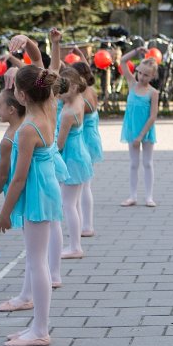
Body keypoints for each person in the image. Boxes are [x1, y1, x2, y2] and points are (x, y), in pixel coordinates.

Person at [0, 36, 66, 346]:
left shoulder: (27, 129)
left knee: (37, 261)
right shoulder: (49, 106)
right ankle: (36, 325)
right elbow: (41, 69)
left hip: (37, 191)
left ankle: (40, 329)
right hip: (47, 185)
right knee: (36, 259)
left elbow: (19, 179)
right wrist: (32, 45)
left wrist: (6, 211)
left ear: (22, 96)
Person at [53, 66, 94, 264]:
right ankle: (75, 243)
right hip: (79, 153)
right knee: (73, 202)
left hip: (72, 157)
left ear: (76, 87)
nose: (59, 93)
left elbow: (60, 143)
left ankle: (75, 245)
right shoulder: (79, 100)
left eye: (63, 88)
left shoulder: (68, 112)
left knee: (67, 204)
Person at [119, 52, 159, 207]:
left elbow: (153, 116)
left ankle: (149, 197)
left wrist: (141, 136)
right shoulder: (131, 84)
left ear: (152, 76)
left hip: (146, 131)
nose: (142, 77)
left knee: (148, 163)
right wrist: (137, 51)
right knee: (133, 163)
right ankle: (132, 196)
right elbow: (122, 61)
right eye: (140, 73)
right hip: (132, 129)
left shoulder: (153, 93)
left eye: (146, 75)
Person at [73, 59, 103, 236]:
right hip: (92, 138)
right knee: (85, 185)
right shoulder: (90, 90)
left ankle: (86, 225)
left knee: (82, 185)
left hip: (84, 140)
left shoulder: (82, 97)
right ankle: (86, 224)